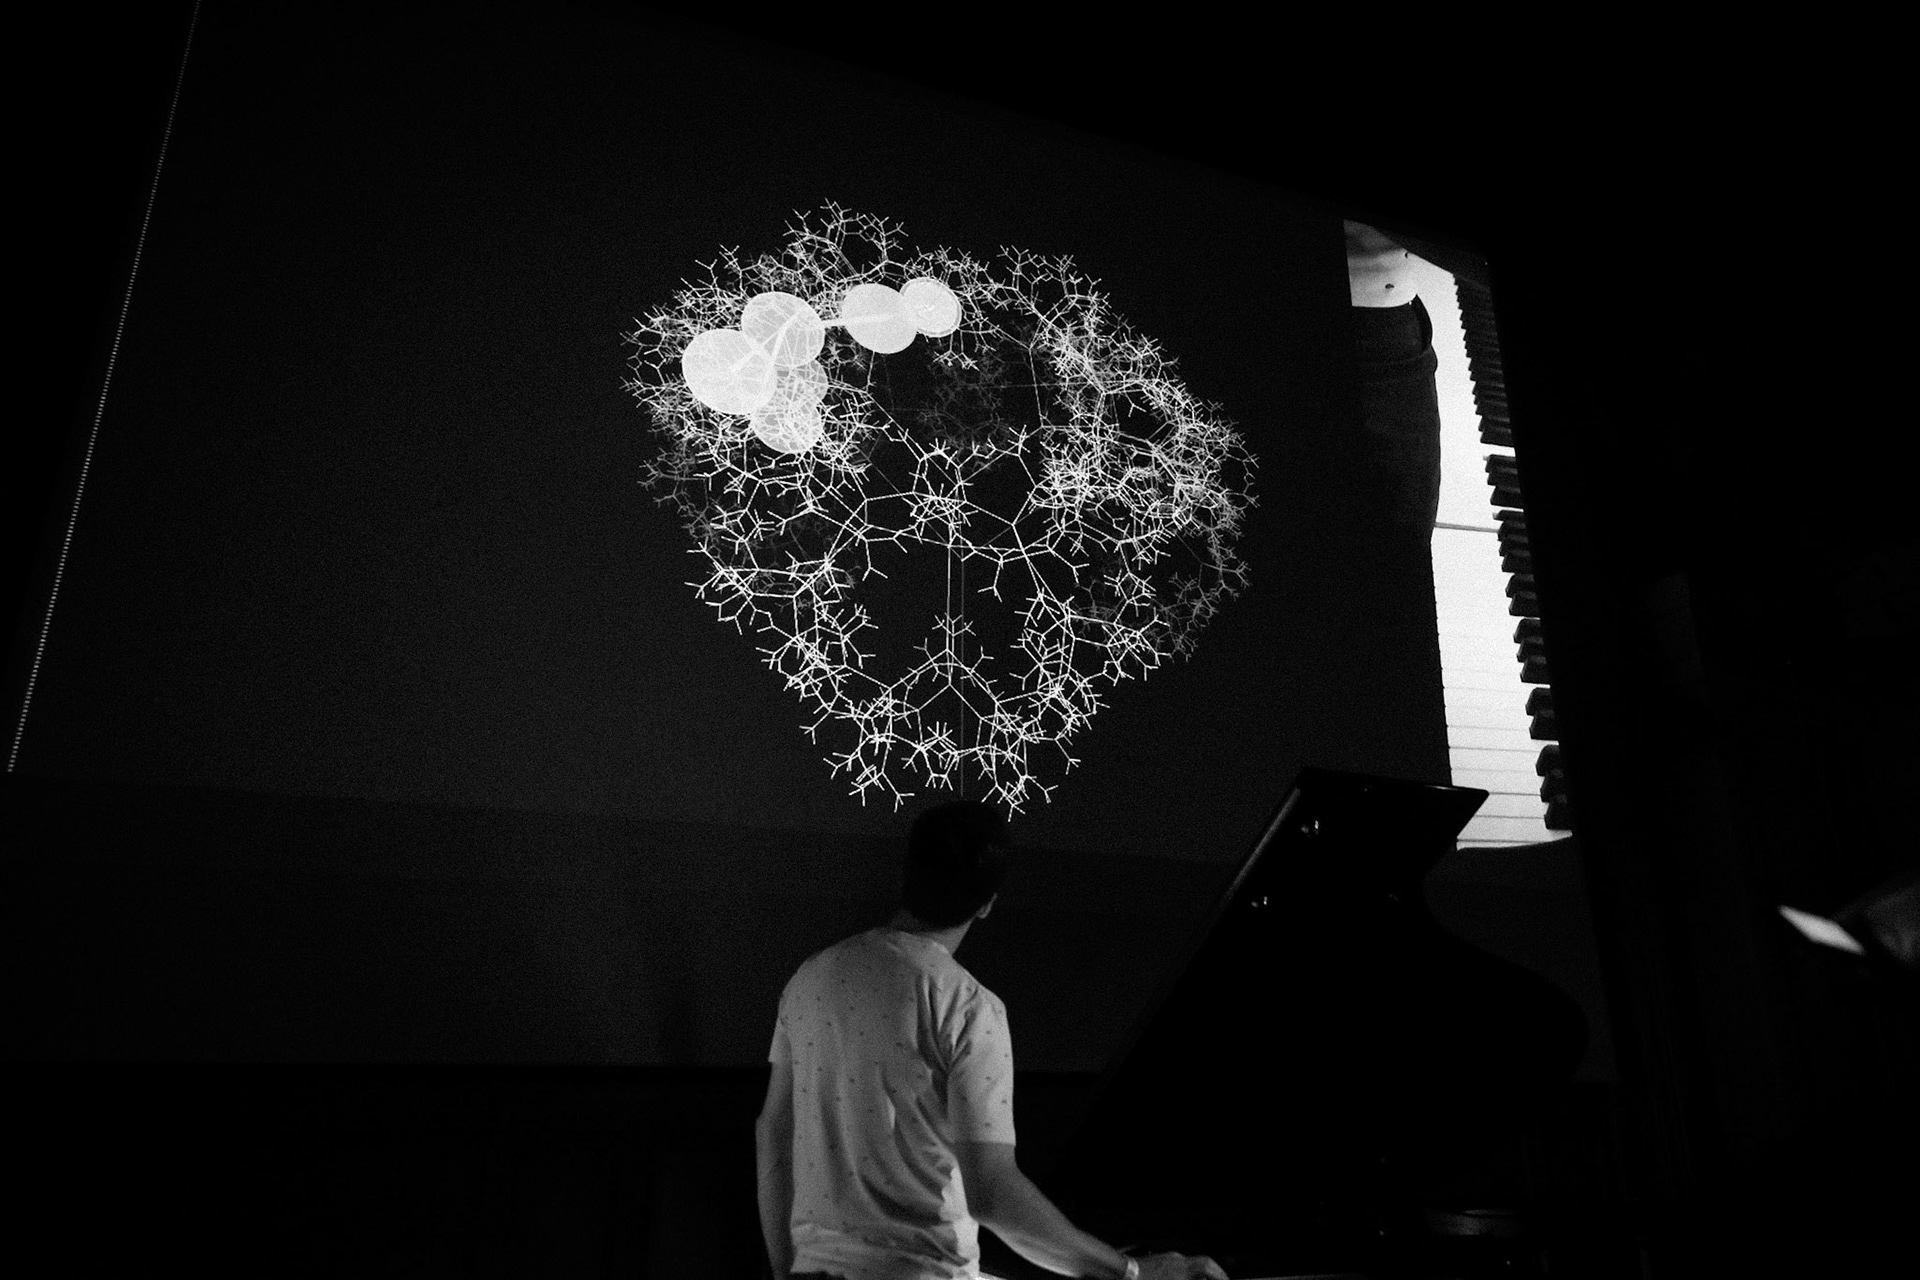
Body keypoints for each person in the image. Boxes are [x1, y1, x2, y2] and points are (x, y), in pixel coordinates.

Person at [756, 800, 1228, 1280]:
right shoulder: (968, 1008)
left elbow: (772, 1137)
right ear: (987, 904)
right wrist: (1134, 1271)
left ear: (906, 876)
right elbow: (992, 1194)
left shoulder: (808, 980)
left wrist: (785, 1273)